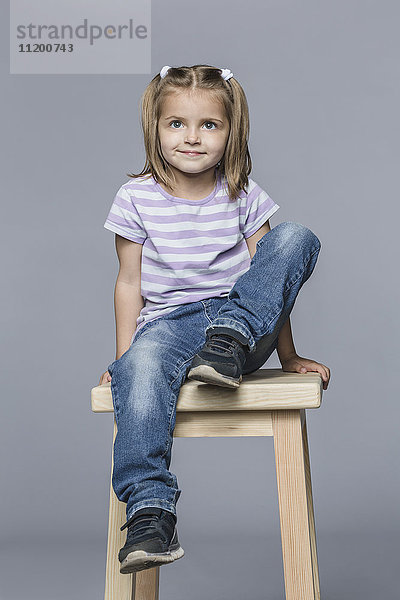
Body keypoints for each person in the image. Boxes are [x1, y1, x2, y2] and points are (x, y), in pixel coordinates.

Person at [99, 64, 331, 574]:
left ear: (232, 132)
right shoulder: (135, 197)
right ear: (155, 129)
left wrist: (287, 356)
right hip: (171, 328)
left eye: (210, 125)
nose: (192, 138)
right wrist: (125, 361)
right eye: (176, 124)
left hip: (241, 327)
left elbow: (272, 279)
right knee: (143, 365)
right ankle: (150, 511)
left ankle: (226, 342)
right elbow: (129, 285)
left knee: (293, 238)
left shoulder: (243, 192)